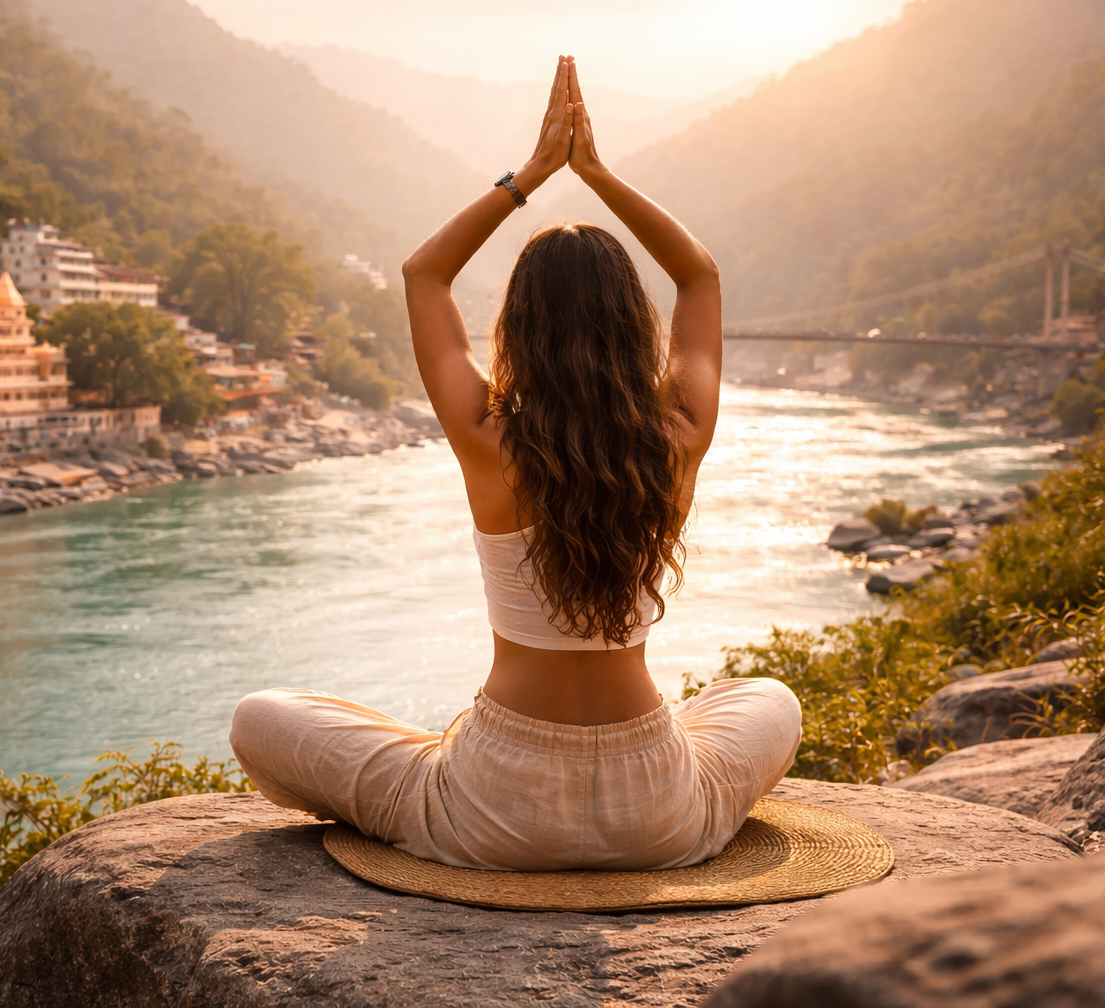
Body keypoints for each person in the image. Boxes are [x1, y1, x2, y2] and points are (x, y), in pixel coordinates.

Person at [230, 56, 801, 871]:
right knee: (769, 699)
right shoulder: (678, 433)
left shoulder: (485, 437)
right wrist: (595, 173)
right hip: (659, 809)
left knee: (259, 717)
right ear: (635, 328)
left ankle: (438, 760)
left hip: (495, 804)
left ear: (518, 328)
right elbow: (699, 275)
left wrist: (530, 175)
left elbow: (424, 273)